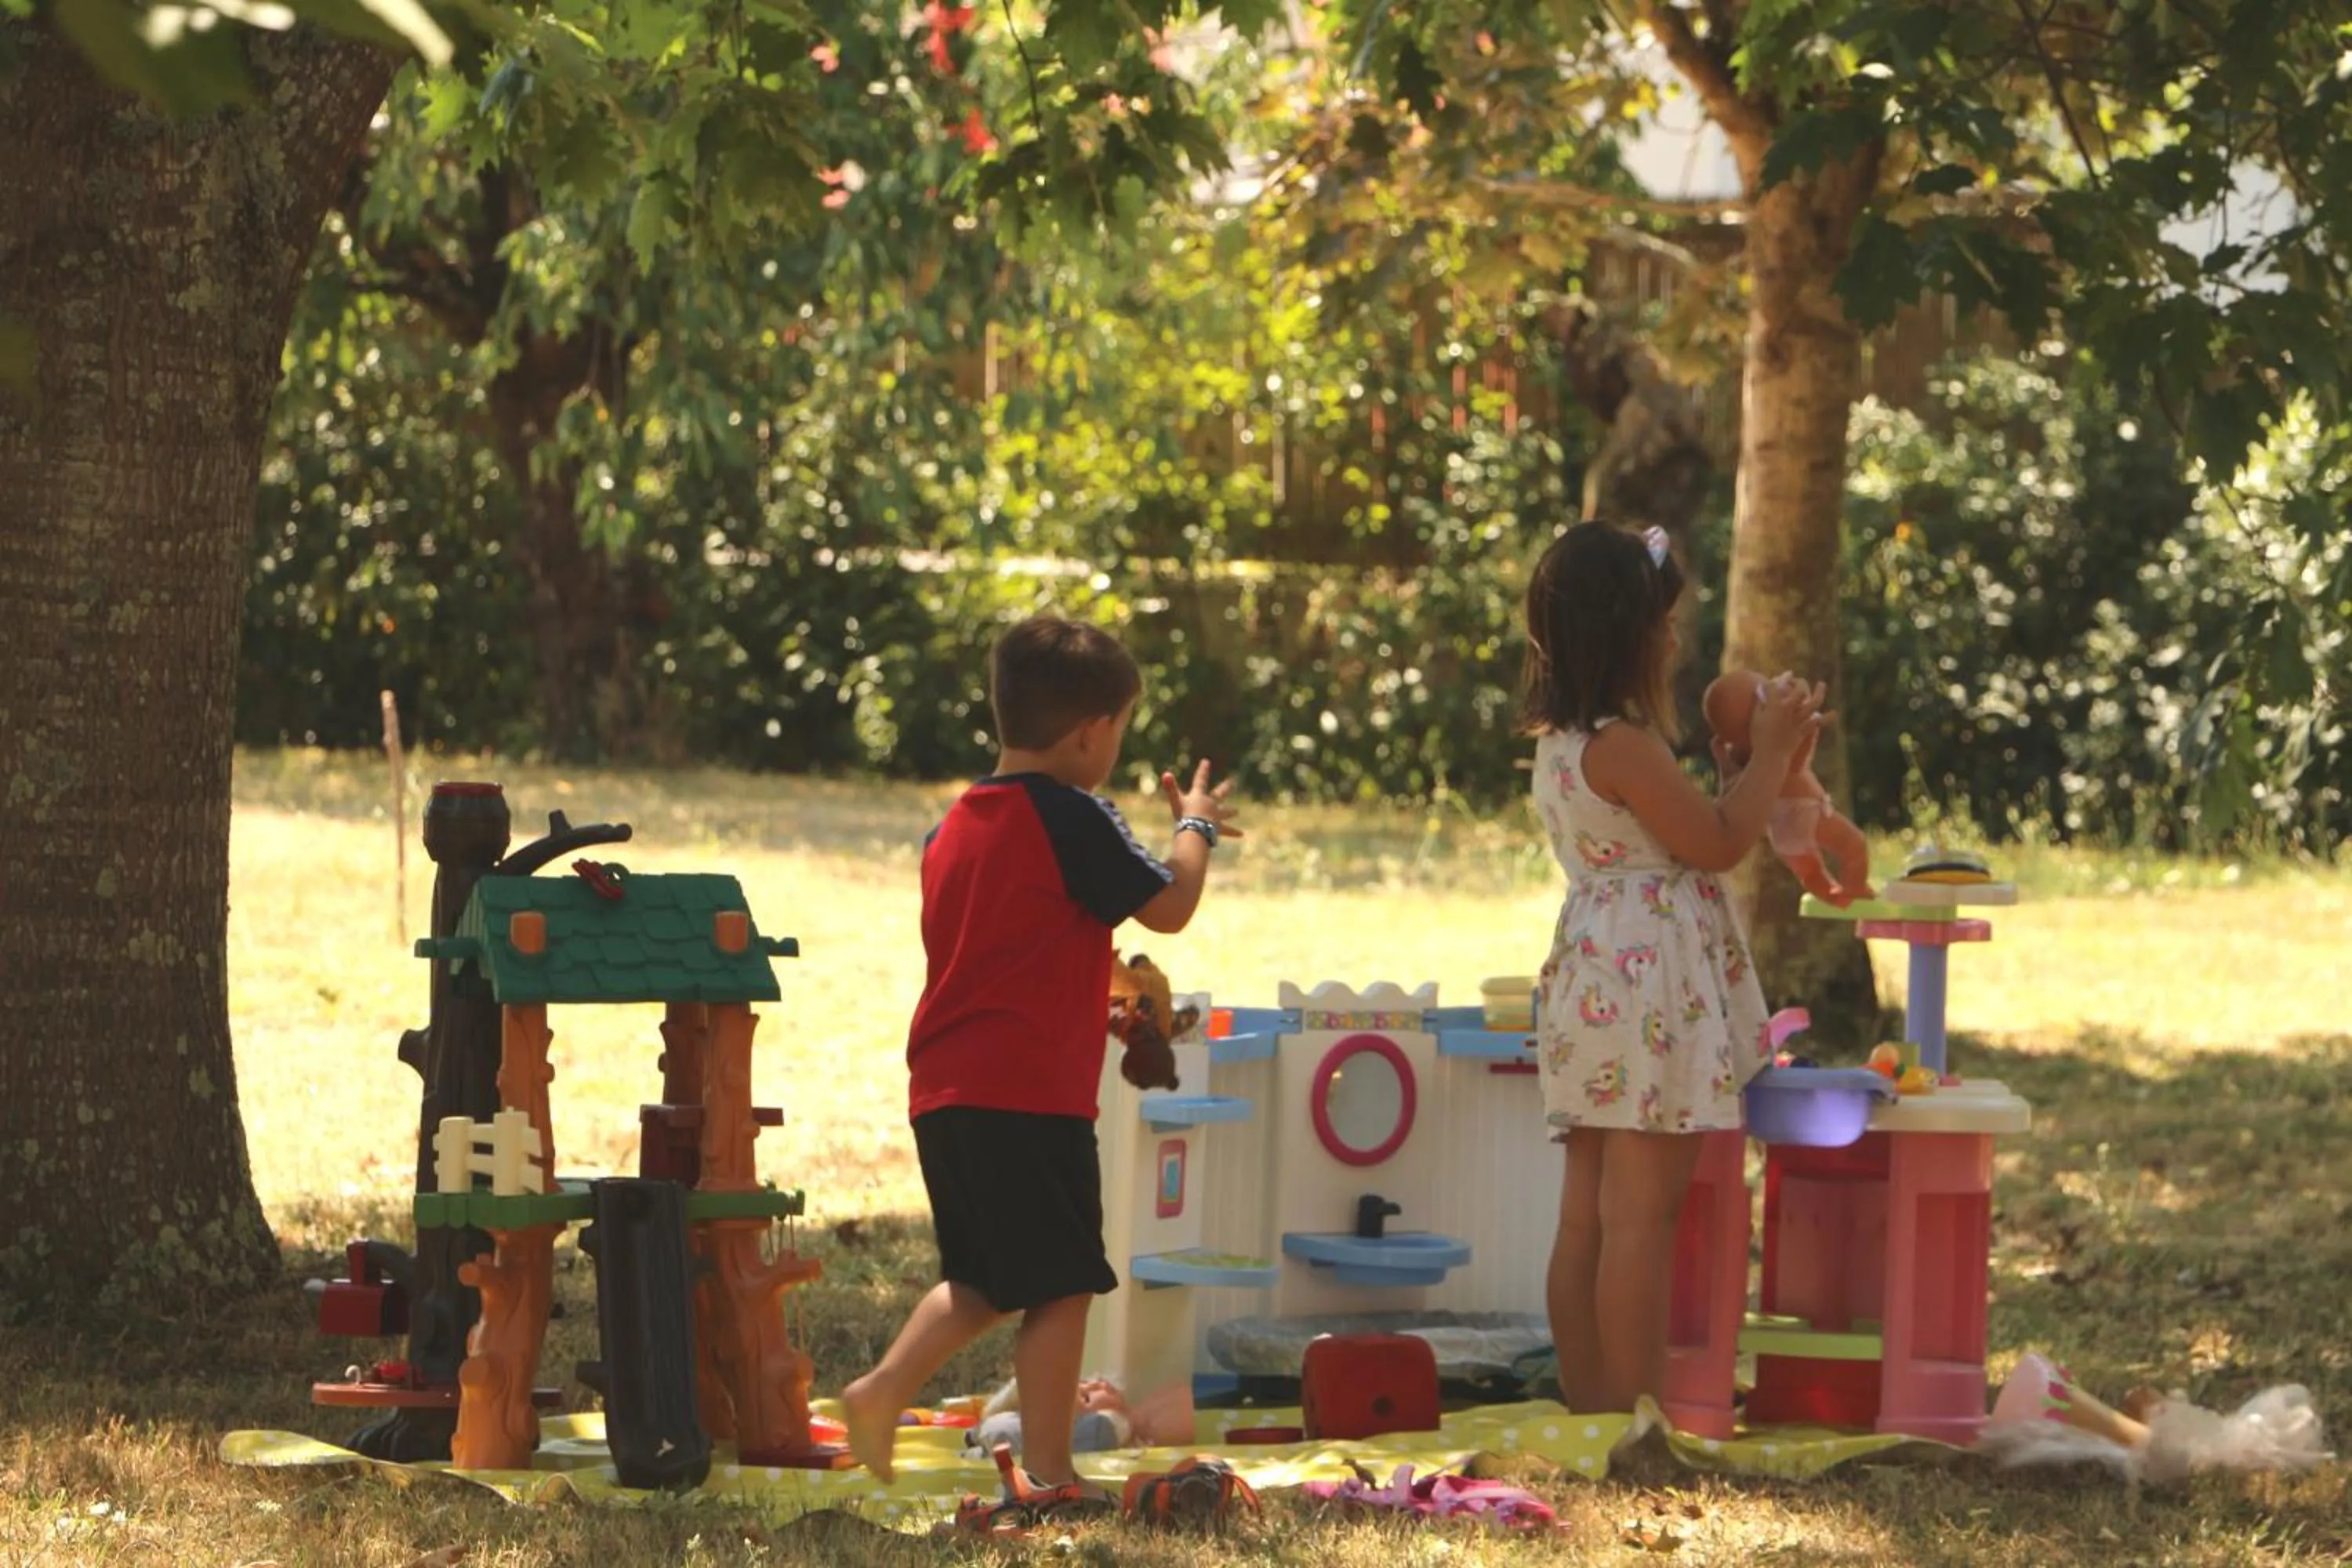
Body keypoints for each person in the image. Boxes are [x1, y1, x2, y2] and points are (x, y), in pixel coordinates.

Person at [840, 615, 1241, 1498]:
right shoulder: (1073, 816)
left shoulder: (953, 827)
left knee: (985, 1278)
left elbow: (1014, 943)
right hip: (1028, 1098)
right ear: (1092, 732)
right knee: (1064, 1283)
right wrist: (1197, 828)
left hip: (947, 1090)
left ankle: (879, 1391)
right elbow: (1169, 904)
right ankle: (1053, 1468)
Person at [1522, 521, 1822, 1415]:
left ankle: (1592, 1407)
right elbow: (1720, 842)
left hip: (1592, 976)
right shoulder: (1627, 745)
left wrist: (1739, 772)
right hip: (1648, 986)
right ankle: (1635, 1414)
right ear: (1634, 635)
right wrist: (1770, 754)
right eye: (1667, 621)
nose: (1677, 637)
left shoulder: (1565, 742)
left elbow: (1688, 826)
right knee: (1643, 1220)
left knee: (1588, 1216)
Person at [1702, 667, 1874, 908]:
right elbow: (1796, 765)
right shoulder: (1777, 748)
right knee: (1855, 845)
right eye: (1764, 694)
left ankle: (1833, 896)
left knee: (1810, 871)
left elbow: (1730, 786)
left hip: (1781, 832)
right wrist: (1809, 730)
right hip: (1806, 813)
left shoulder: (1743, 758)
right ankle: (1855, 888)